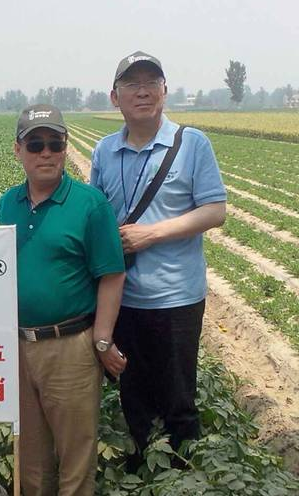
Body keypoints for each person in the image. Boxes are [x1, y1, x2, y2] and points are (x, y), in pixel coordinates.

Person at [90, 51, 227, 468]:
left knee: (178, 402)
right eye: (132, 84)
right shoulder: (104, 151)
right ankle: (141, 474)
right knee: (133, 399)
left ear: (165, 91)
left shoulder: (191, 144)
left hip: (176, 298)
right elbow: (96, 214)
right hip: (124, 297)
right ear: (115, 97)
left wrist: (151, 233)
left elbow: (215, 211)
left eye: (152, 82)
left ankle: (182, 478)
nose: (143, 91)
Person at [0, 105, 126, 495]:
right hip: (18, 346)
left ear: (66, 148)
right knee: (29, 454)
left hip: (69, 346)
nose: (46, 153)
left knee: (75, 453)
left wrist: (101, 337)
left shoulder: (89, 204)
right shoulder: (7, 204)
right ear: (18, 150)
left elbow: (112, 275)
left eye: (55, 143)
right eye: (35, 144)